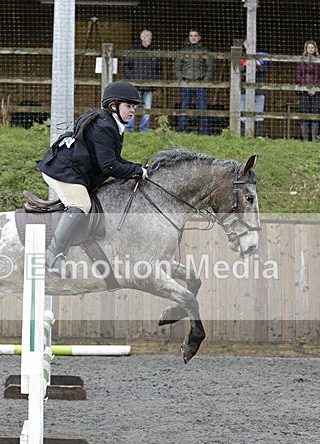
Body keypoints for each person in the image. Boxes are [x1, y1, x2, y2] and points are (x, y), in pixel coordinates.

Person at [35, 81, 148, 277]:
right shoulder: (104, 126)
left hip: (74, 170)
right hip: (62, 170)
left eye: (134, 107)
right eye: (128, 106)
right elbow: (109, 167)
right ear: (113, 106)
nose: (133, 111)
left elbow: (114, 160)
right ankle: (53, 254)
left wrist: (136, 168)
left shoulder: (112, 124)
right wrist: (135, 172)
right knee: (81, 205)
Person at [175, 29, 214, 135]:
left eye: (195, 35)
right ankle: (182, 132)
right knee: (184, 108)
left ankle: (205, 133)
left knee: (202, 108)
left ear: (199, 37)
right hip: (186, 83)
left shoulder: (205, 51)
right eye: (191, 35)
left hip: (200, 83)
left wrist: (205, 81)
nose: (193, 38)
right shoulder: (183, 51)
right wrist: (181, 80)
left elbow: (210, 67)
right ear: (188, 37)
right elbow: (177, 67)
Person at [122, 29, 161, 132]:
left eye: (150, 36)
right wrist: (132, 78)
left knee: (147, 108)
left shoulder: (154, 51)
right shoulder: (134, 50)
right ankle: (129, 128)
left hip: (149, 85)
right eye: (148, 36)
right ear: (142, 37)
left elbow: (159, 68)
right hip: (136, 85)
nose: (150, 38)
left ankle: (144, 129)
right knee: (132, 107)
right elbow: (126, 66)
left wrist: (155, 80)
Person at [234, 38, 269, 137]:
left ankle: (259, 136)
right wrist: (251, 67)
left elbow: (263, 68)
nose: (248, 45)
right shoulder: (240, 56)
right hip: (244, 89)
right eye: (246, 43)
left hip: (259, 89)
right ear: (243, 44)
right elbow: (237, 69)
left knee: (258, 114)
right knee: (243, 113)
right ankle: (242, 135)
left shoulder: (261, 56)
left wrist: (250, 68)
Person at [295, 40, 320, 142]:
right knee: (304, 113)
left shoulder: (319, 61)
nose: (310, 49)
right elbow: (298, 75)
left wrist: (315, 88)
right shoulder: (301, 61)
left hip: (316, 91)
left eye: (312, 47)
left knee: (315, 113)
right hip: (303, 91)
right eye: (309, 47)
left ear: (315, 49)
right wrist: (307, 88)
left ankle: (314, 139)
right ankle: (305, 139)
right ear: (306, 49)